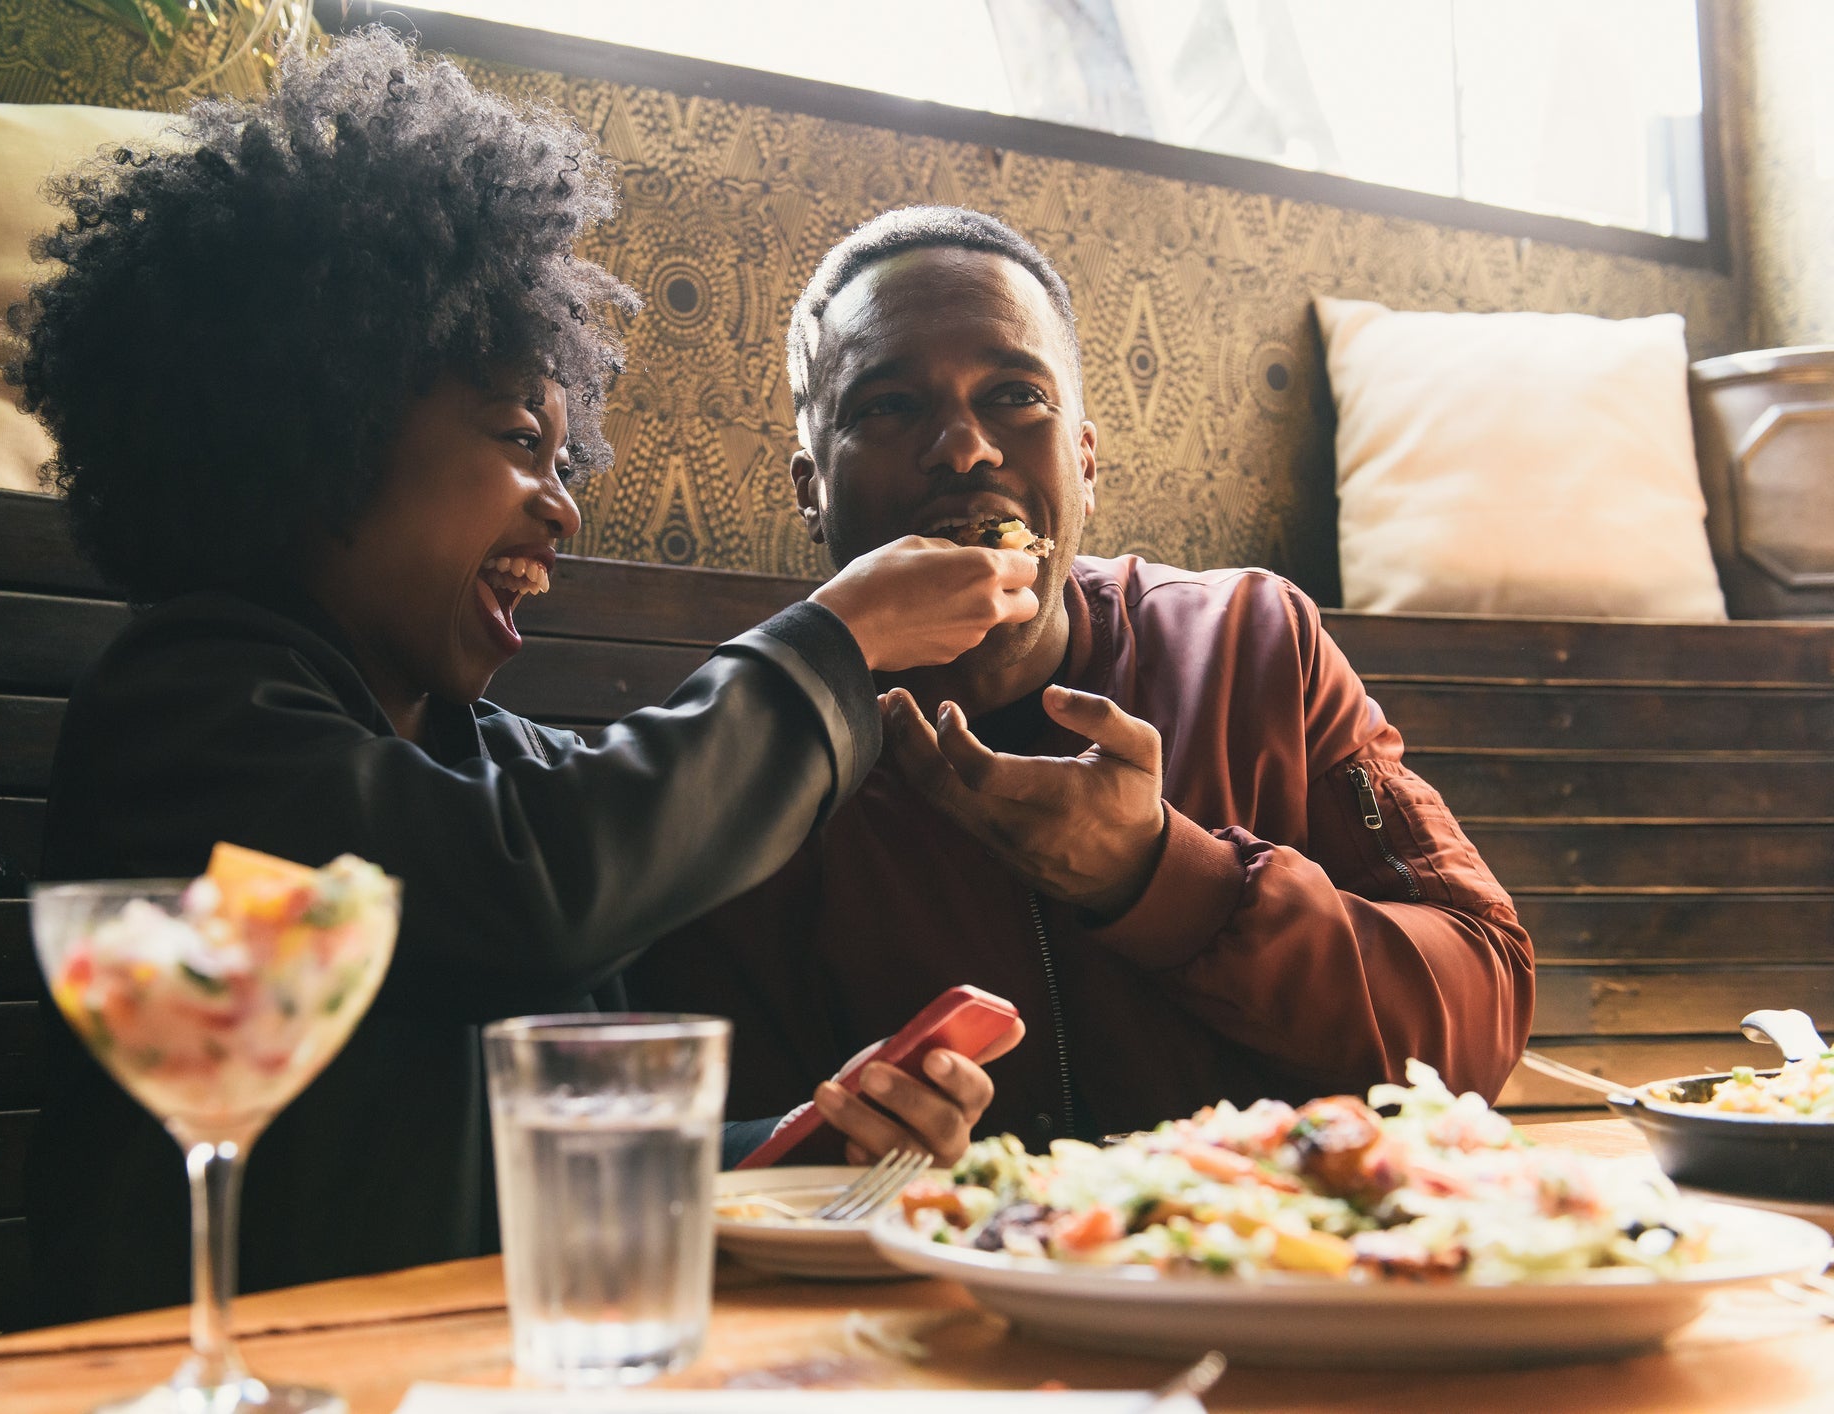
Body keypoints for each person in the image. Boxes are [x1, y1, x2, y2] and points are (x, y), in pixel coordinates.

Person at [13, 41, 1033, 1322]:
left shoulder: (490, 757)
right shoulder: (190, 712)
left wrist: (826, 1143)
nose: (560, 505)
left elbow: (564, 1170)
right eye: (517, 440)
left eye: (567, 457)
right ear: (320, 425)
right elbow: (538, 887)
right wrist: (836, 637)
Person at [630, 207, 1535, 1149]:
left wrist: (1159, 876)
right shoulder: (740, 746)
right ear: (811, 490)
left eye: (1017, 397)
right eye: (888, 407)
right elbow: (678, 1136)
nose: (964, 448)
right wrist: (841, 1136)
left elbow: (1479, 1020)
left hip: (1261, 1259)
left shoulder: (1254, 643)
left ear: (1087, 464)